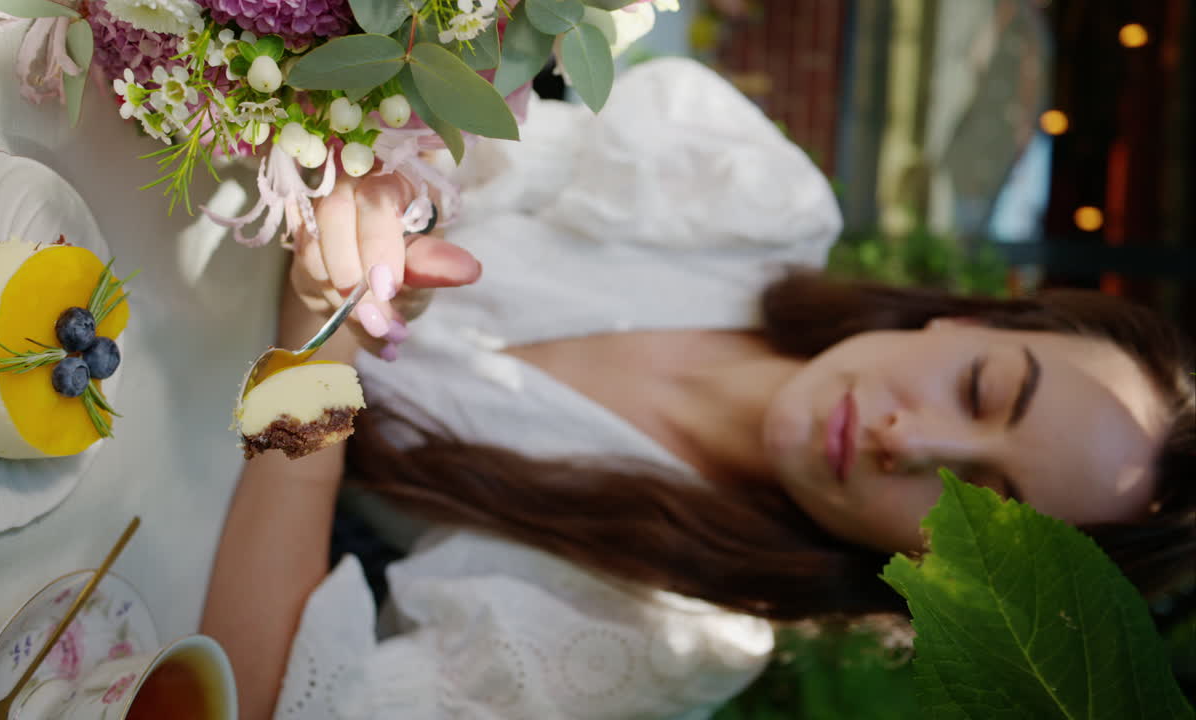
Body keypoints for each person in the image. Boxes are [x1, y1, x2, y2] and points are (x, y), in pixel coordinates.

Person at [200, 59, 1195, 719]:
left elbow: (259, 691)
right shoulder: (743, 200)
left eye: (975, 506)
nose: (912, 442)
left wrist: (311, 365)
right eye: (978, 391)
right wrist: (387, 176)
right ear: (971, 321)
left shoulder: (676, 628)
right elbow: (426, 112)